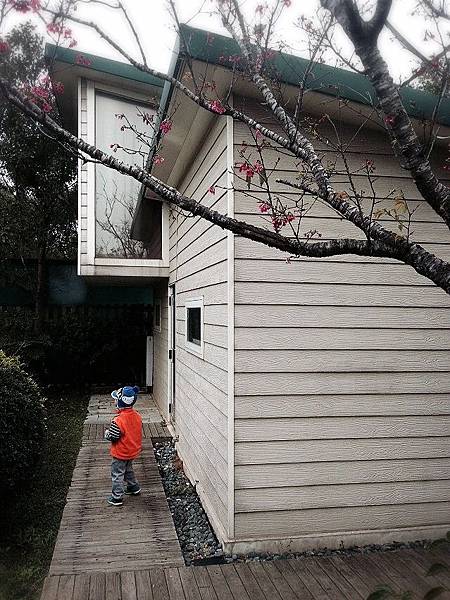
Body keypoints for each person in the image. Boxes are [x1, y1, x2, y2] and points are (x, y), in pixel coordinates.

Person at [105, 385, 142, 506]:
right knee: (128, 469)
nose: (114, 401)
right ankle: (133, 487)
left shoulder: (118, 420)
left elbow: (113, 436)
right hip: (132, 451)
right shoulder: (137, 416)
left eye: (115, 399)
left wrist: (107, 434)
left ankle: (117, 497)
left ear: (120, 402)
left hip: (120, 453)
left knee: (117, 474)